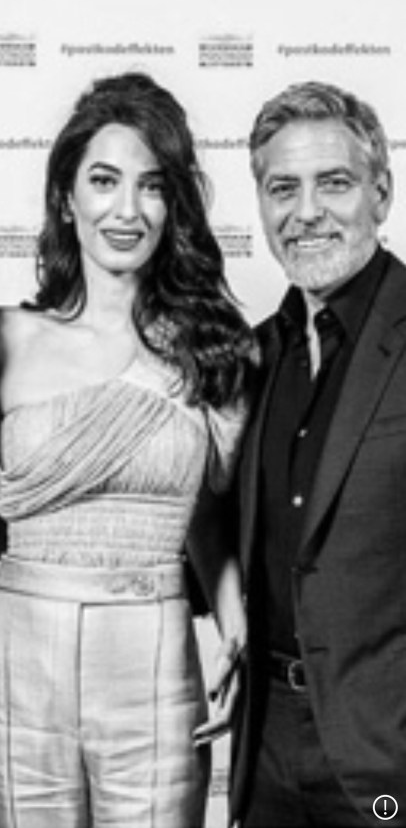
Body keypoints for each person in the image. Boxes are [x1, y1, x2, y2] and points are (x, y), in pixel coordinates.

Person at [0, 71, 255, 828]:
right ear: (66, 196)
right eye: (104, 180)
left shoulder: (212, 348)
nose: (127, 210)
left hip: (153, 649)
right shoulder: (0, 338)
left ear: (173, 205)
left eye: (152, 186)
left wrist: (237, 627)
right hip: (18, 653)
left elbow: (209, 518)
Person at [230, 80, 406, 827]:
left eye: (333, 183)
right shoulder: (256, 357)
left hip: (385, 754)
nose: (306, 212)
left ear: (381, 193)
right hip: (265, 747)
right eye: (283, 188)